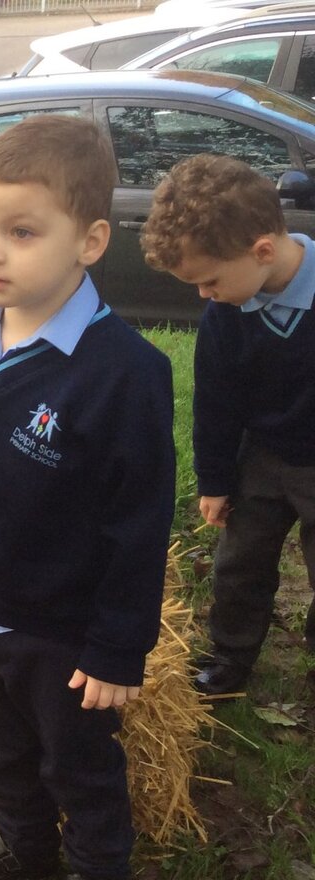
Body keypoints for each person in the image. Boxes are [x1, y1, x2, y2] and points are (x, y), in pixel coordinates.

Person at [0, 115, 176, 880]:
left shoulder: (125, 375)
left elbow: (139, 524)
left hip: (64, 634)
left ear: (88, 242)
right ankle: (25, 853)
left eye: (22, 233)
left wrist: (120, 646)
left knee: (80, 771)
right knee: (0, 753)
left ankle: (95, 867)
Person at [141, 153, 315, 696]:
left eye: (210, 280)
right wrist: (215, 481)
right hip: (261, 459)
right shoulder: (224, 313)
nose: (203, 294)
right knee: (239, 566)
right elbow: (216, 402)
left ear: (262, 250)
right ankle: (231, 657)